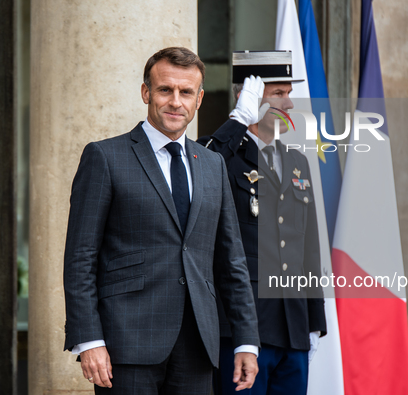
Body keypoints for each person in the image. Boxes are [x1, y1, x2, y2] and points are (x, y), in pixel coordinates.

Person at [63, 47, 260, 395]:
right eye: (165, 89)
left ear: (198, 99)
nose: (175, 101)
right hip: (126, 346)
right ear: (146, 93)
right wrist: (88, 339)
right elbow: (80, 258)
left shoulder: (212, 164)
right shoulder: (105, 157)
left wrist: (246, 341)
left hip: (199, 345)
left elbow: (232, 261)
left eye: (186, 92)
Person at [198, 50, 327, 395]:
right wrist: (238, 120)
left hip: (293, 325)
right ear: (250, 98)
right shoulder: (222, 156)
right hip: (243, 329)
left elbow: (309, 247)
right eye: (278, 94)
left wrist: (314, 323)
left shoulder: (296, 161)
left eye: (289, 93)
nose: (288, 103)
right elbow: (196, 169)